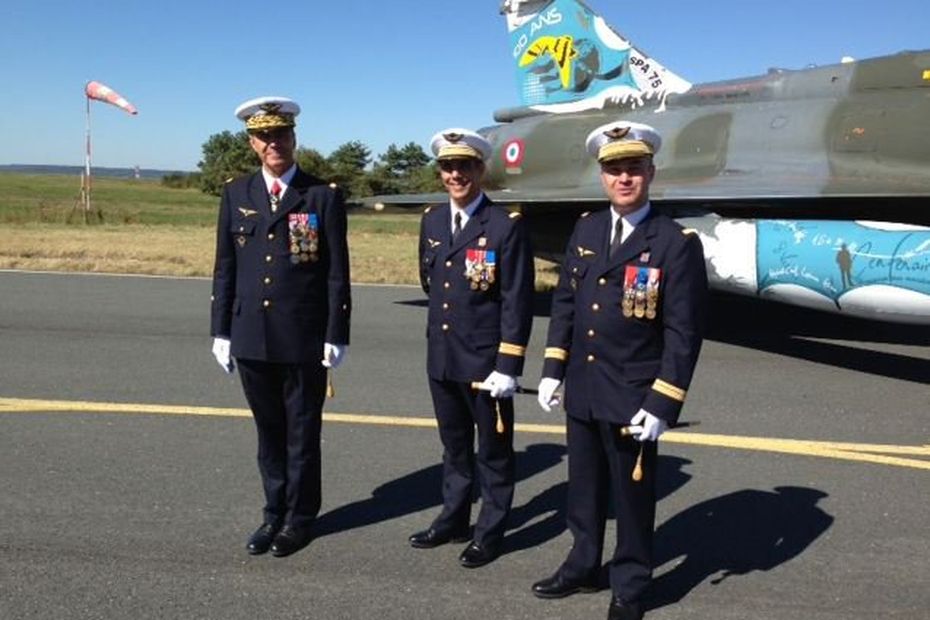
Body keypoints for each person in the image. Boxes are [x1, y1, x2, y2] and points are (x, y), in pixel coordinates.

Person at [531, 121, 707, 620]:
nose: (623, 178)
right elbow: (565, 303)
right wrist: (552, 368)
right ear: (602, 176)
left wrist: (665, 401)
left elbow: (683, 331)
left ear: (651, 171)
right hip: (584, 389)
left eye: (633, 168)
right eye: (613, 169)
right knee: (582, 488)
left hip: (635, 392)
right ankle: (583, 562)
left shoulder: (674, 242)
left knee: (631, 497)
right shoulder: (586, 229)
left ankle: (630, 583)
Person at [210, 96, 351, 558]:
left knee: (302, 433)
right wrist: (221, 330)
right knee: (268, 434)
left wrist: (336, 333)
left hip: (303, 338)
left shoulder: (321, 195)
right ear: (253, 144)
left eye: (282, 135)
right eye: (265, 137)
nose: (275, 144)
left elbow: (336, 272)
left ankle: (300, 518)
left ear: (294, 139)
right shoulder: (237, 194)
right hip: (250, 334)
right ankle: (273, 514)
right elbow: (225, 267)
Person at [409, 128, 535, 568]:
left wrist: (509, 363)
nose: (456, 174)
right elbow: (431, 282)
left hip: (485, 362)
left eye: (465, 166)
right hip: (443, 356)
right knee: (454, 446)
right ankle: (454, 517)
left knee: (495, 453)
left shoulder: (504, 226)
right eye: (448, 166)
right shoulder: (432, 220)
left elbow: (517, 301)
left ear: (481, 169)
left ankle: (490, 529)